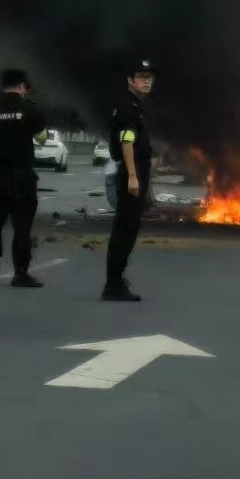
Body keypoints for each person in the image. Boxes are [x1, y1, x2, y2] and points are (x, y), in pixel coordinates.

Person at [0, 68, 46, 288]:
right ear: (22, 86)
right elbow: (41, 134)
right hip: (22, 175)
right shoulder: (30, 109)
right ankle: (20, 273)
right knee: (22, 227)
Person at [104, 59, 156, 302]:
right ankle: (113, 284)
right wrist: (133, 176)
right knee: (125, 229)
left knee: (129, 227)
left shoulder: (136, 106)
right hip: (130, 173)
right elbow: (126, 141)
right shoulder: (127, 107)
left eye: (149, 77)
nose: (146, 80)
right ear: (129, 80)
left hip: (136, 170)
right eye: (141, 76)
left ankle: (116, 280)